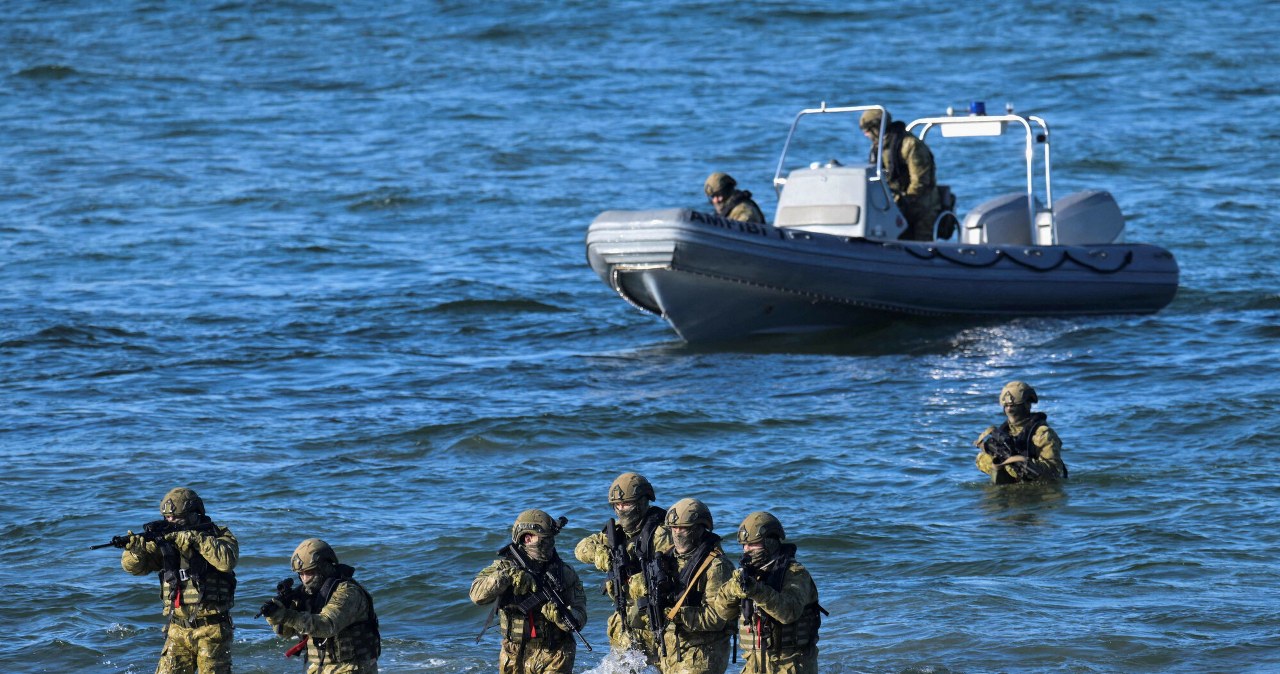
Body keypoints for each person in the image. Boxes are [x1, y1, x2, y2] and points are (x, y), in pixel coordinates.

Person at [120, 487, 238, 674]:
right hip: (177, 628)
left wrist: (194, 539)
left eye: (176, 517)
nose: (170, 521)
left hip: (212, 628)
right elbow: (135, 569)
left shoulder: (217, 535)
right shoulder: (166, 540)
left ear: (195, 514)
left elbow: (226, 562)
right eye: (167, 517)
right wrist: (135, 551)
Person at [627, 498, 736, 674]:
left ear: (700, 528)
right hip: (670, 651)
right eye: (674, 528)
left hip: (702, 654)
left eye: (684, 528)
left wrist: (675, 614)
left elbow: (717, 618)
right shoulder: (668, 559)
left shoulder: (716, 566)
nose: (677, 533)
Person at [470, 510, 588, 674]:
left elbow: (580, 615)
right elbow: (476, 595)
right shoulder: (504, 568)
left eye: (551, 539)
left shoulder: (564, 573)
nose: (549, 544)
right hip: (513, 653)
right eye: (544, 540)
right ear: (526, 538)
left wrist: (562, 618)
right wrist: (507, 577)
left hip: (554, 653)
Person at [573, 472, 673, 661]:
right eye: (617, 505)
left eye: (627, 504)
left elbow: (674, 573)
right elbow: (580, 549)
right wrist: (601, 556)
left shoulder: (661, 533)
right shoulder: (616, 532)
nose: (621, 509)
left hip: (656, 617)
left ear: (643, 502)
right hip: (625, 620)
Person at [719, 512, 822, 674]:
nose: (746, 550)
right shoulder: (746, 574)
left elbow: (789, 612)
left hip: (791, 664)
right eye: (744, 545)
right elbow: (722, 612)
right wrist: (733, 589)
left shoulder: (795, 573)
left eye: (753, 544)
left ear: (770, 542)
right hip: (754, 663)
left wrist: (757, 591)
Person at [260, 538, 381, 673]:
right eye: (301, 574)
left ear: (324, 568)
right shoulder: (306, 594)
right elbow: (286, 633)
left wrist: (288, 616)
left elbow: (327, 625)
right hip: (319, 667)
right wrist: (276, 617)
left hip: (352, 667)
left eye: (310, 572)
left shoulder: (347, 592)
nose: (305, 579)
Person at [859, 108, 942, 241]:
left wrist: (904, 201)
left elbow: (920, 180)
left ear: (877, 128)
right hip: (894, 206)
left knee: (921, 246)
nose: (866, 134)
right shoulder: (878, 148)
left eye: (868, 130)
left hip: (920, 208)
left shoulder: (909, 145)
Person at [974, 380, 1069, 484]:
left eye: (1014, 405)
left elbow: (1054, 471)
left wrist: (1024, 465)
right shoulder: (1003, 432)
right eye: (1006, 406)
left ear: (1027, 404)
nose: (1009, 409)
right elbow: (980, 461)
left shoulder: (1042, 434)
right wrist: (998, 464)